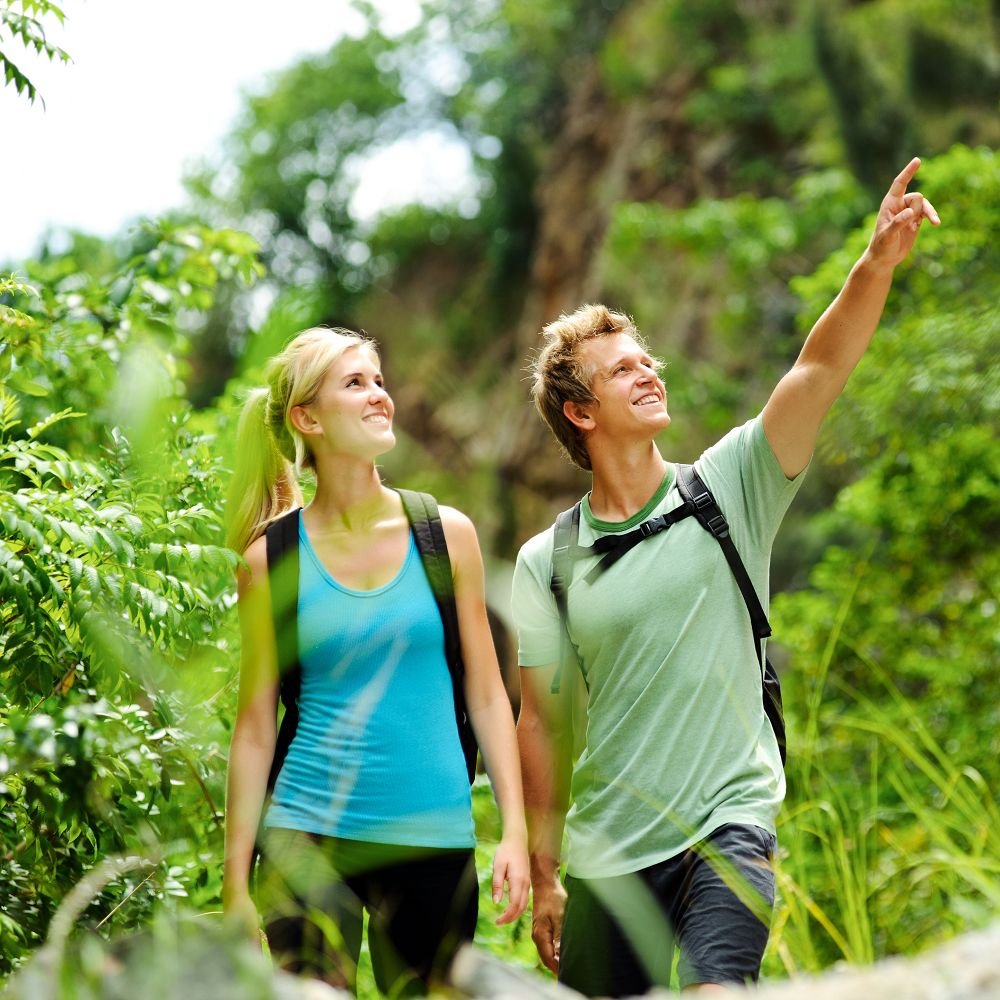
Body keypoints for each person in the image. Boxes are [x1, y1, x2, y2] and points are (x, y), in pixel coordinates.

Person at [512, 158, 940, 995]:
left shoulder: (729, 484)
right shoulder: (548, 562)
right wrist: (546, 869)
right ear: (581, 411)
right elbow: (542, 725)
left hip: (728, 823)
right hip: (610, 851)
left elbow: (816, 371)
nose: (649, 371)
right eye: (623, 368)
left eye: (648, 359)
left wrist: (874, 265)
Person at [221, 326, 529, 996]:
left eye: (380, 380)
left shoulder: (446, 536)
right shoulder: (269, 559)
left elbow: (485, 693)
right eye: (355, 383)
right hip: (305, 839)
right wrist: (235, 882)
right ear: (307, 418)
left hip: (432, 840)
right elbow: (254, 726)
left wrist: (514, 831)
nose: (379, 396)